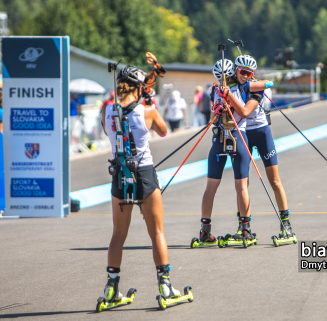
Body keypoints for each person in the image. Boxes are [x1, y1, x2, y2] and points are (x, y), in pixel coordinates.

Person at [100, 65, 182, 303]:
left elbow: (109, 132)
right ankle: (165, 286)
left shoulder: (107, 111)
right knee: (156, 231)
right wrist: (149, 103)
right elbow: (164, 131)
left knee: (118, 234)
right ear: (138, 88)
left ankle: (111, 288)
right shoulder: (148, 111)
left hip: (119, 173)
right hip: (144, 173)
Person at [226, 55, 293, 239]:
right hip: (244, 133)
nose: (245, 76)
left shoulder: (255, 86)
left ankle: (286, 225)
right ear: (235, 70)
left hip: (261, 132)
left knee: (275, 181)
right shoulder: (233, 85)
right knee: (242, 184)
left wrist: (243, 87)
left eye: (249, 73)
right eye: (242, 72)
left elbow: (246, 111)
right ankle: (244, 226)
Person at [197, 59, 261, 244]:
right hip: (238, 138)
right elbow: (244, 111)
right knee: (241, 187)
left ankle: (205, 230)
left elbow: (212, 117)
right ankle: (245, 229)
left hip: (219, 139)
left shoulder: (215, 90)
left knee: (210, 187)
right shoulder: (241, 87)